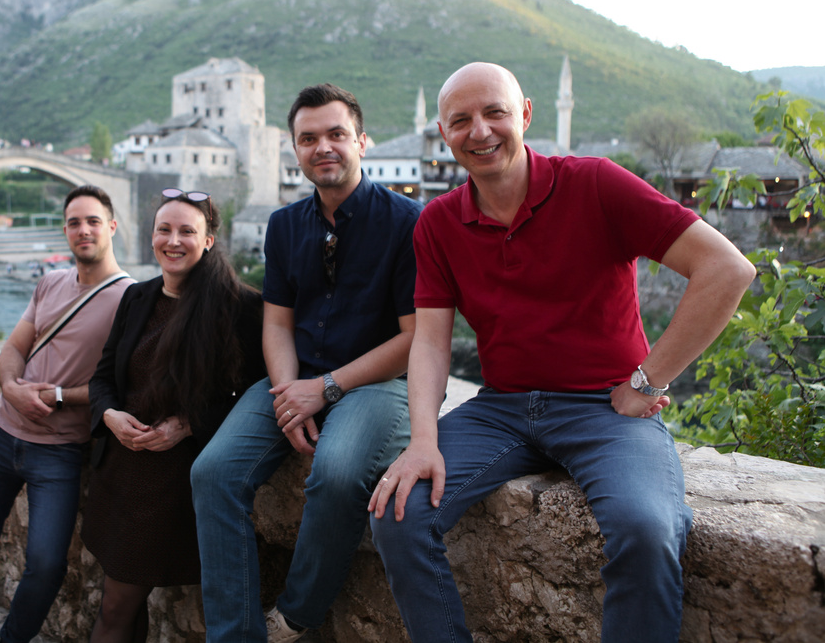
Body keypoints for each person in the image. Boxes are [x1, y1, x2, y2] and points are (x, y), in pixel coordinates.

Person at [369, 62, 757, 642]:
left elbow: (727, 268)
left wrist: (648, 381)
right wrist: (423, 438)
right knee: (398, 514)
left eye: (494, 112)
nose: (480, 131)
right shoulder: (439, 223)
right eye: (460, 121)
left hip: (605, 408)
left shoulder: (596, 183)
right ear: (443, 135)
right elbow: (430, 339)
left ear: (525, 114)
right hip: (502, 410)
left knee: (646, 530)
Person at [190, 84, 422, 642]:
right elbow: (277, 322)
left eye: (337, 134)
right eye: (309, 138)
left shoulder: (411, 222)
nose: (324, 147)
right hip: (295, 376)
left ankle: (296, 615)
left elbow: (417, 340)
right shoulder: (285, 225)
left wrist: (326, 389)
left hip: (380, 380)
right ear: (295, 151)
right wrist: (289, 390)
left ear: (362, 142)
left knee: (338, 474)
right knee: (212, 473)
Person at [0, 185, 133, 643]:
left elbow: (118, 388)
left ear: (112, 227)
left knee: (46, 565)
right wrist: (10, 387)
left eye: (92, 221)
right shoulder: (49, 282)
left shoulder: (129, 299)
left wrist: (60, 396)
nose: (82, 230)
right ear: (65, 231)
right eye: (73, 223)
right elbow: (14, 348)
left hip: (60, 451)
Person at [82, 188, 265, 642]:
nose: (174, 240)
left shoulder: (240, 307)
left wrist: (186, 425)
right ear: (152, 236)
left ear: (207, 241)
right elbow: (103, 377)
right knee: (123, 597)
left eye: (187, 230)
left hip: (171, 482)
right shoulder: (137, 297)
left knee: (115, 604)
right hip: (119, 471)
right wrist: (109, 416)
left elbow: (256, 396)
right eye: (164, 229)